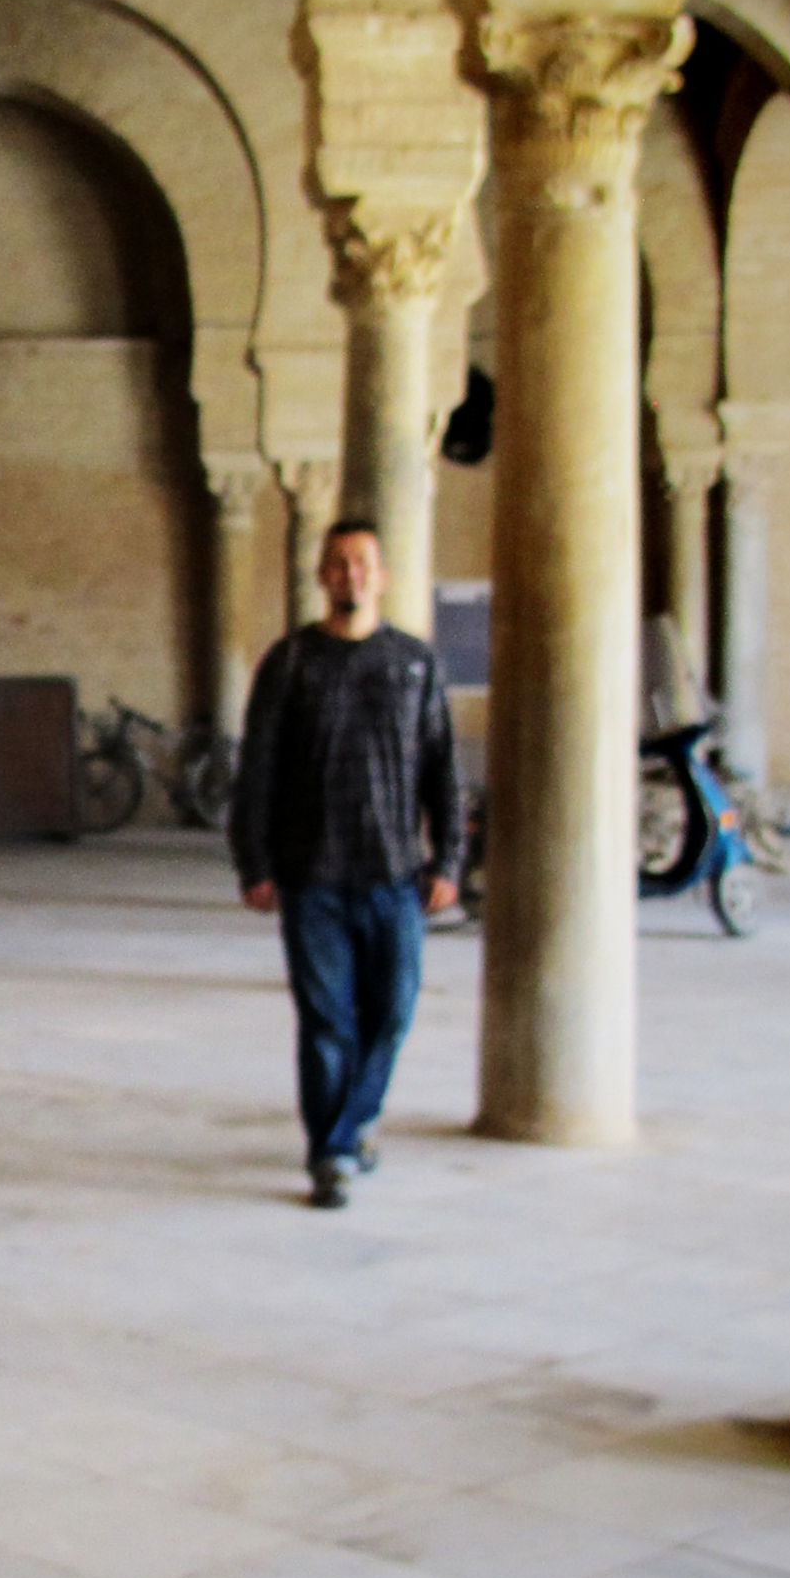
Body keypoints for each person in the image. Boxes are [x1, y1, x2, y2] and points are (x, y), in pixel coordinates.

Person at [230, 514, 460, 1208]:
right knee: (328, 1019)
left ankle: (354, 1125)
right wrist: (253, 862)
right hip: (312, 877)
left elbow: (442, 769)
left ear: (382, 576)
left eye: (363, 562)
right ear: (321, 575)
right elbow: (258, 769)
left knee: (391, 1012)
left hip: (394, 875)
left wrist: (447, 858)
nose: (350, 574)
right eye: (338, 562)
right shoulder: (291, 661)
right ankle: (333, 1152)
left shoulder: (414, 663)